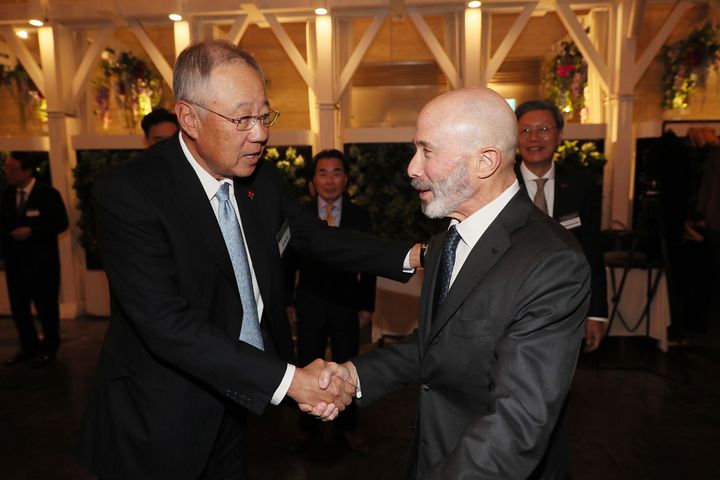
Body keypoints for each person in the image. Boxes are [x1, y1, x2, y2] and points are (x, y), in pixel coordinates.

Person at [75, 40, 417, 479]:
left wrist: (416, 254)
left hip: (237, 400)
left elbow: (313, 238)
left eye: (264, 115)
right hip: (158, 415)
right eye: (242, 119)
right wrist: (291, 380)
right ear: (189, 118)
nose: (260, 133)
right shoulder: (131, 193)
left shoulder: (259, 177)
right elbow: (165, 323)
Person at [314, 88, 591, 479]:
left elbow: (517, 423)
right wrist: (354, 376)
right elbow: (438, 343)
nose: (412, 168)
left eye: (427, 151)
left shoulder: (552, 262)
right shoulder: (448, 239)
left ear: (485, 161)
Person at [286, 149, 376, 451]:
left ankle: (348, 424)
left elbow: (370, 265)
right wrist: (287, 302)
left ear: (346, 178)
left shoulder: (360, 216)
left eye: (336, 172)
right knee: (307, 363)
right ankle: (307, 425)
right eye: (322, 173)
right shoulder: (299, 215)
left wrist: (367, 306)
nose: (329, 179)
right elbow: (287, 264)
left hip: (345, 303)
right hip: (309, 302)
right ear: (313, 180)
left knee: (348, 364)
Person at [514, 100, 608, 352]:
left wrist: (596, 314)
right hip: (509, 311)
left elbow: (591, 250)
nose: (534, 137)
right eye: (525, 130)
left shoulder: (581, 186)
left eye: (543, 129)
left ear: (559, 135)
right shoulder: (498, 186)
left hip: (566, 310)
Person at [1, 152, 68, 368]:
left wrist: (32, 231)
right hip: (15, 264)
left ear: (27, 170)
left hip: (42, 264)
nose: (7, 172)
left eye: (12, 168)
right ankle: (27, 346)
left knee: (46, 307)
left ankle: (49, 348)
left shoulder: (47, 194)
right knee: (19, 309)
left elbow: (60, 223)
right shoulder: (5, 195)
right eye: (6, 168)